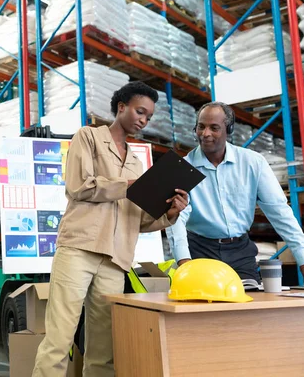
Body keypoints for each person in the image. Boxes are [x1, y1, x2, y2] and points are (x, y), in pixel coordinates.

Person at [32, 81, 189, 377]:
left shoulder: (136, 161)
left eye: (148, 117)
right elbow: (79, 185)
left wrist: (169, 213)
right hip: (80, 249)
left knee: (104, 349)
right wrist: (129, 186)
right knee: (59, 339)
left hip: (116, 260)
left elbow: (139, 219)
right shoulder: (88, 137)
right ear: (121, 107)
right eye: (140, 111)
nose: (143, 120)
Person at [166, 101, 304, 283]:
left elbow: (279, 210)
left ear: (229, 130)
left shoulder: (253, 163)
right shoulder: (181, 168)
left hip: (241, 253)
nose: (205, 134)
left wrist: (303, 256)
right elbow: (176, 218)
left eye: (214, 128)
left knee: (248, 306)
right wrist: (184, 260)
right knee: (204, 308)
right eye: (201, 127)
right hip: (200, 251)